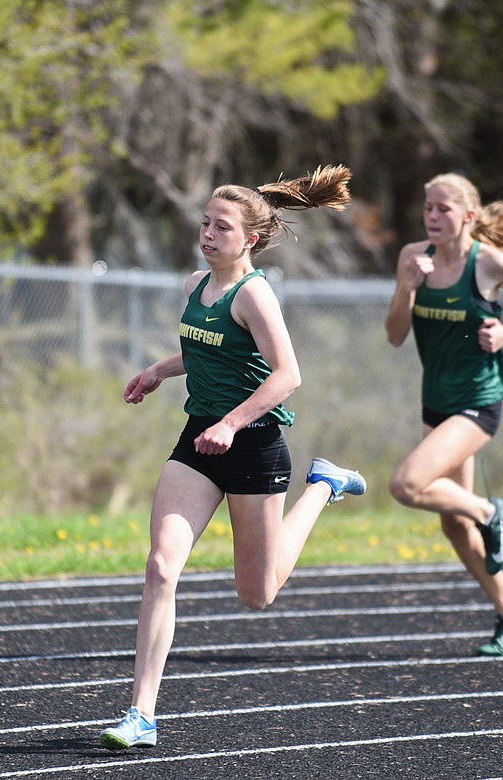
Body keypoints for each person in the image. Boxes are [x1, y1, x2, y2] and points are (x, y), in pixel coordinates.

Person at [99, 165, 366, 750]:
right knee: (160, 567)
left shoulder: (256, 294)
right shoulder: (198, 283)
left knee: (257, 593)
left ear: (250, 238)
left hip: (253, 443)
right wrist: (157, 371)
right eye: (205, 222)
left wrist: (232, 422)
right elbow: (202, 348)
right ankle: (141, 713)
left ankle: (323, 485)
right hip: (199, 442)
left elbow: (288, 375)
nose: (209, 233)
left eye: (223, 226)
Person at [385, 173, 503, 657]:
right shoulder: (412, 259)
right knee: (452, 524)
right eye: (428, 208)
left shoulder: (487, 264)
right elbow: (395, 335)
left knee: (406, 484)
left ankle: (491, 511)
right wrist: (407, 287)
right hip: (436, 402)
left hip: (478, 401)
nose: (433, 217)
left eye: (444, 208)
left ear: (469, 216)